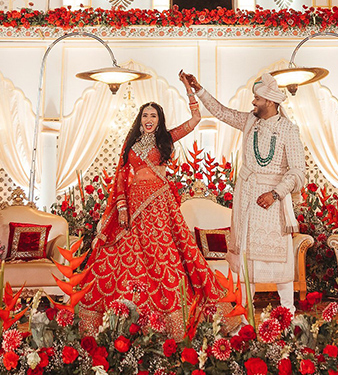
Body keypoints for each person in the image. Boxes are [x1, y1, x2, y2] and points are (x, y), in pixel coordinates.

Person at [78, 100, 226, 337]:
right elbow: (120, 176)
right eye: (145, 115)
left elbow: (195, 121)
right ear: (140, 119)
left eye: (153, 116)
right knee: (128, 254)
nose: (149, 120)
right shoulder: (131, 143)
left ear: (159, 120)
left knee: (161, 253)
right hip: (134, 203)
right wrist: (122, 206)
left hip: (159, 202)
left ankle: (173, 319)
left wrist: (190, 93)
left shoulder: (166, 139)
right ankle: (120, 317)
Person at [179, 70, 305, 311]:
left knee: (281, 262)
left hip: (275, 202)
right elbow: (221, 113)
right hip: (248, 200)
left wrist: (275, 193)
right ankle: (245, 317)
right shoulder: (250, 122)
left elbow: (298, 171)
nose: (253, 102)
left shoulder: (289, 130)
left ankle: (288, 315)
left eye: (256, 99)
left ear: (269, 101)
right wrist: (198, 89)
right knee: (249, 262)